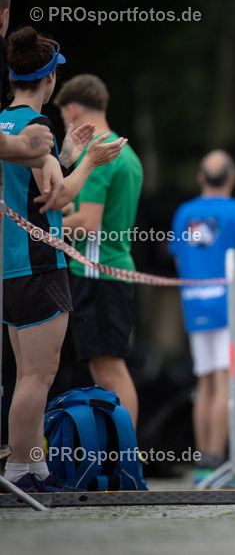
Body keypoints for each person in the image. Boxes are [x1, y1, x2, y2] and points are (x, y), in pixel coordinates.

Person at [2, 27, 125, 492]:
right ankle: (19, 472)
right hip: (39, 264)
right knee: (39, 376)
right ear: (50, 79)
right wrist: (90, 161)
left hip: (11, 265)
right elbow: (57, 198)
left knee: (27, 375)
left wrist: (68, 155)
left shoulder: (5, 123)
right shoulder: (37, 127)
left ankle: (36, 470)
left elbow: (34, 184)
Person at [169, 149, 235, 484]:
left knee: (205, 381)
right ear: (233, 178)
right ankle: (217, 462)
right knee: (225, 381)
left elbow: (178, 259)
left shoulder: (184, 212)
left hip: (194, 302)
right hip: (228, 306)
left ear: (201, 177)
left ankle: (203, 464)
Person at [53, 74, 144, 425]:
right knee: (109, 367)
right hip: (112, 269)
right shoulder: (126, 153)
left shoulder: (99, 154)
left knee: (109, 370)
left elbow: (88, 222)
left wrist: (41, 229)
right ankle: (125, 451)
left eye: (64, 116)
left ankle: (126, 453)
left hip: (97, 272)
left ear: (73, 111)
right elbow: (88, 213)